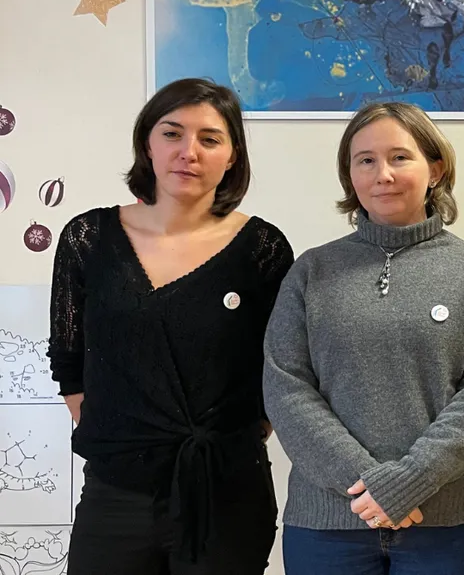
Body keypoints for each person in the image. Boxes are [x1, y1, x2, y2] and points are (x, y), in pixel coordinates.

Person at [48, 77, 294, 574]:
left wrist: (230, 442)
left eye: (210, 139)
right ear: (147, 143)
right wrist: (128, 439)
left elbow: (283, 369)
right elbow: (69, 362)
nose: (189, 152)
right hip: (116, 491)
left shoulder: (263, 249)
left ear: (232, 156)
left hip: (226, 492)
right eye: (172, 133)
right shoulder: (88, 237)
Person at [263, 101, 464, 575]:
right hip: (328, 526)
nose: (383, 174)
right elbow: (286, 387)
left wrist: (410, 481)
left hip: (451, 526)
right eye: (366, 160)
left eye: (400, 157)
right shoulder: (311, 272)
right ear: (350, 176)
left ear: (435, 168)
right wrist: (367, 484)